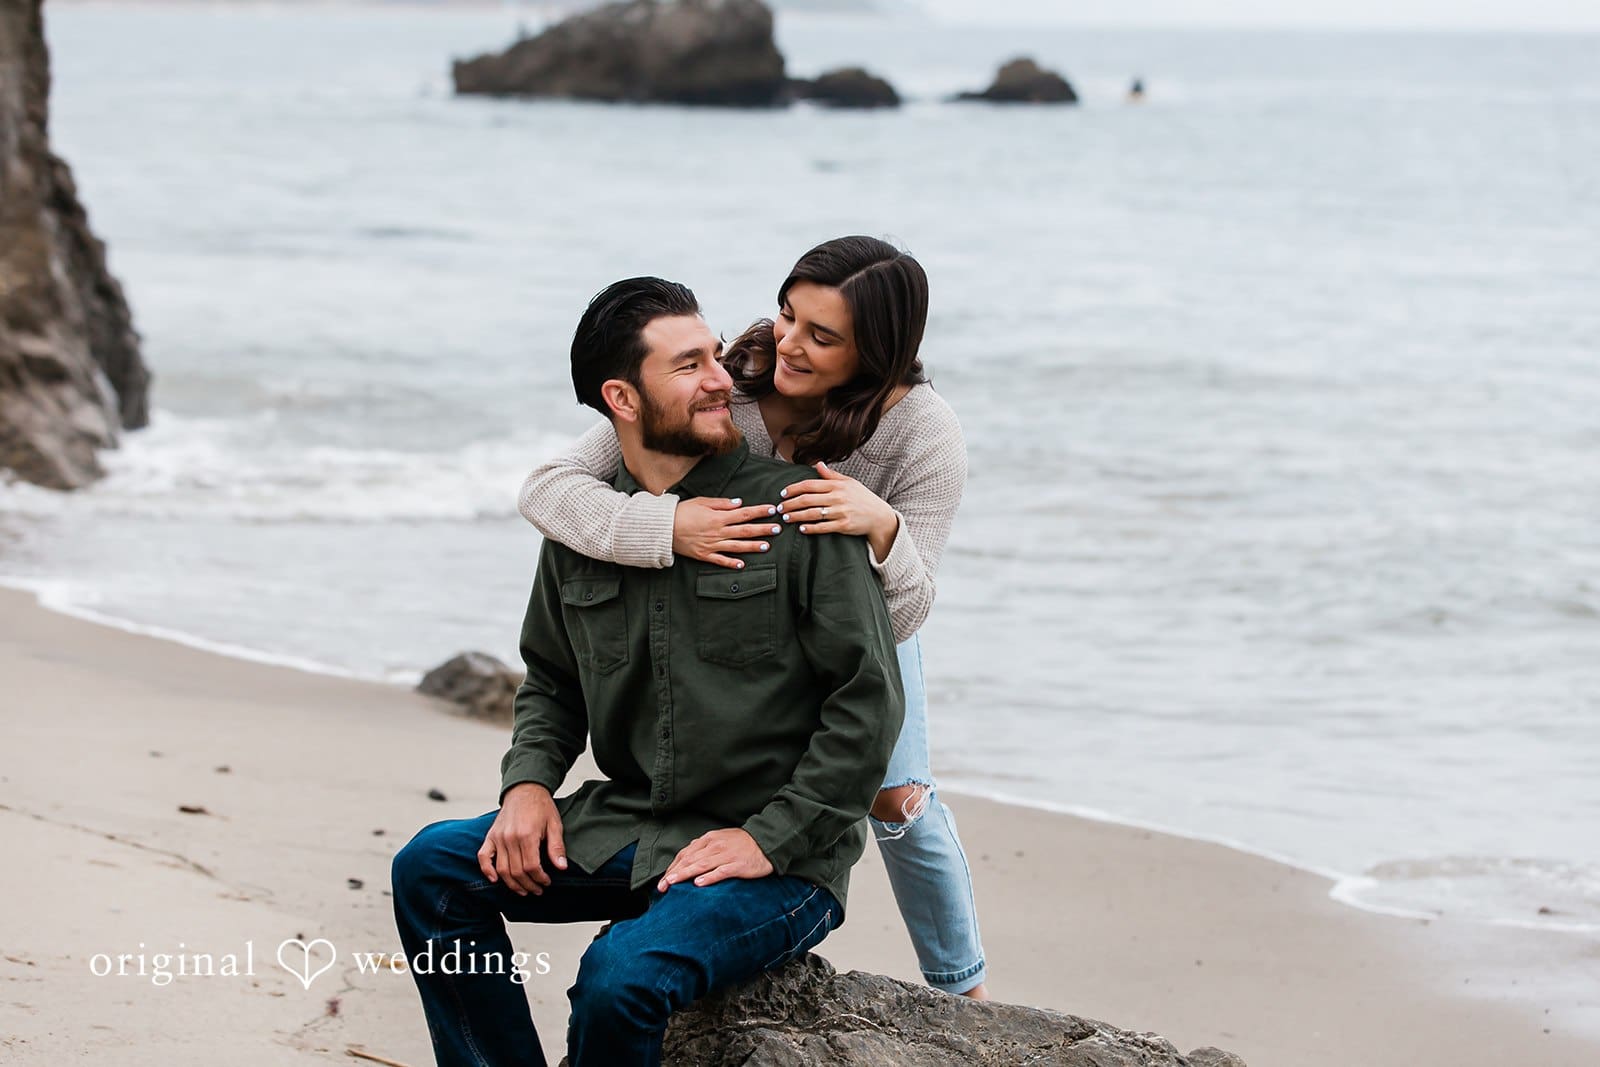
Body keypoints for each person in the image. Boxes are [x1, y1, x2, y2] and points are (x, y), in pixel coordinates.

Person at [391, 276, 905, 1067]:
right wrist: (527, 785)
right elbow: (552, 679)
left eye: (715, 356)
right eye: (690, 366)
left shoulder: (803, 511)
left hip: (781, 858)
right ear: (622, 398)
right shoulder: (586, 528)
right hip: (631, 824)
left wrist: (768, 839)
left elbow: (867, 703)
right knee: (430, 869)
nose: (723, 380)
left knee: (621, 974)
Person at [517, 235, 989, 998]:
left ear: (877, 352)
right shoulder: (732, 377)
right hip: (731, 601)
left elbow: (908, 610)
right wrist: (668, 526)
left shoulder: (924, 434)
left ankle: (962, 989)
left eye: (822, 336)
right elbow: (548, 488)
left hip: (861, 611)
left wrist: (882, 529)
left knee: (898, 795)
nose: (789, 343)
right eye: (787, 314)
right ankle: (680, 897)